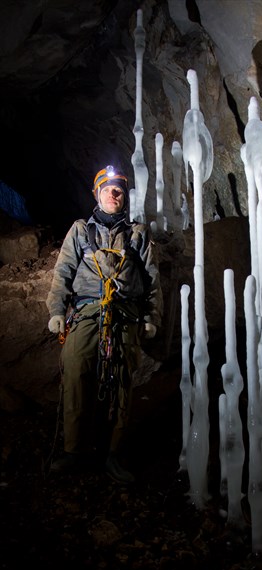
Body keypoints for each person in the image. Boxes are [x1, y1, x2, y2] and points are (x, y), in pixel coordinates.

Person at [46, 165, 163, 483]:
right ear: (96, 194)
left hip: (124, 314)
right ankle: (75, 450)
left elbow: (152, 278)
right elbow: (63, 272)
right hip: (86, 312)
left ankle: (113, 453)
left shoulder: (137, 234)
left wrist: (152, 317)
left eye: (120, 190)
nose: (115, 194)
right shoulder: (81, 230)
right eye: (108, 189)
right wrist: (57, 310)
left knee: (122, 380)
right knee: (76, 371)